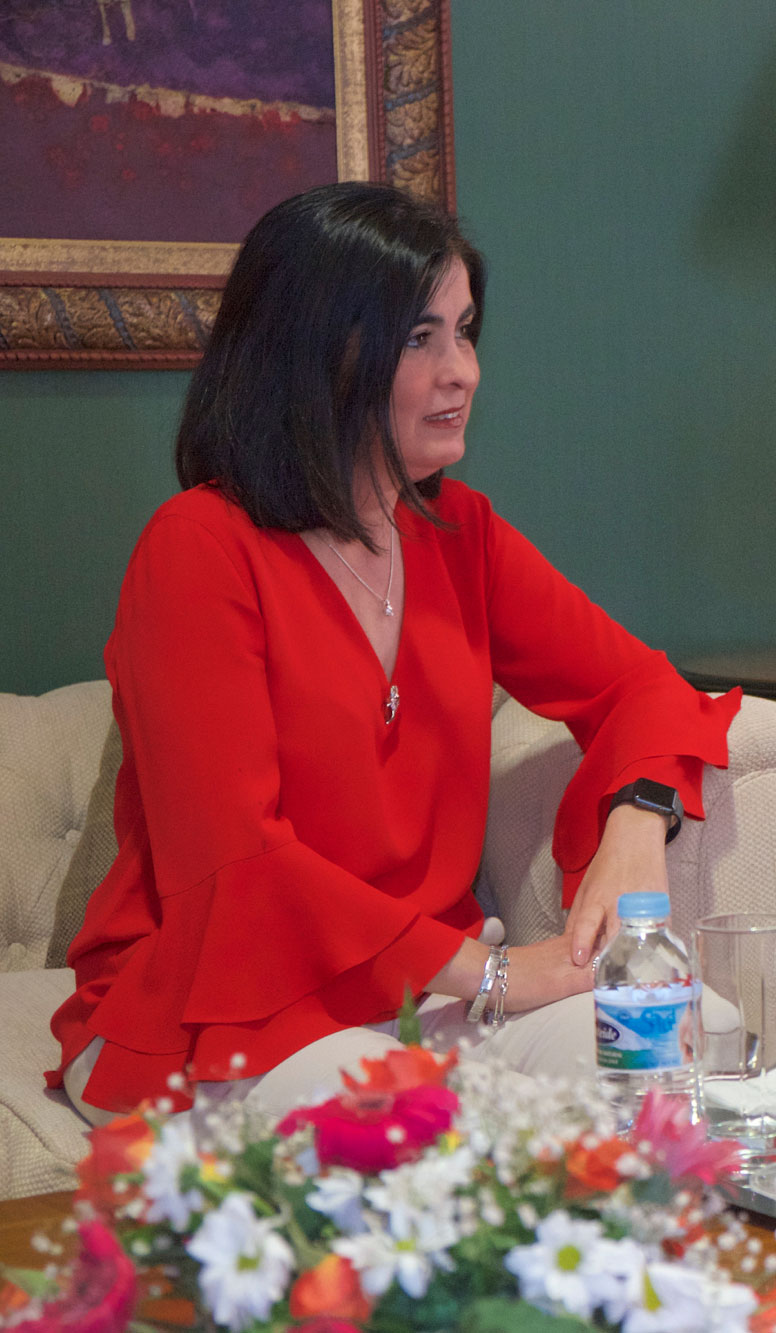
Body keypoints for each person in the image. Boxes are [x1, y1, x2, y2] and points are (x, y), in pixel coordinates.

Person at [47, 182, 740, 1125]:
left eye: (465, 331)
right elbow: (239, 863)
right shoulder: (197, 548)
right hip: (229, 1008)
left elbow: (641, 686)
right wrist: (497, 972)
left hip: (425, 1003)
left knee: (699, 1047)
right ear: (316, 353)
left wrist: (637, 822)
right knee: (432, 1135)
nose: (464, 373)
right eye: (421, 338)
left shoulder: (462, 534)